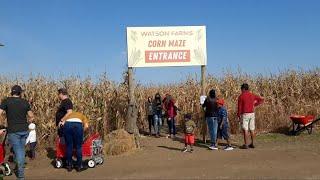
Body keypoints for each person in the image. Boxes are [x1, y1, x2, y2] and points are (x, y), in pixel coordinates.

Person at [0, 85, 34, 179]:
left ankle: (21, 176)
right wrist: (27, 123)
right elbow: (31, 116)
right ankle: (19, 165)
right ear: (20, 93)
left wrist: (1, 124)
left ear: (12, 92)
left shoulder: (6, 101)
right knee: (21, 149)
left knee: (19, 152)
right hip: (24, 130)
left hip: (13, 130)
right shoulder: (24, 102)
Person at [237, 83, 264, 149]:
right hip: (252, 113)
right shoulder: (252, 95)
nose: (241, 90)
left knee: (245, 129)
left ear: (243, 89)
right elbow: (261, 99)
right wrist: (255, 105)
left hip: (245, 114)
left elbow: (239, 107)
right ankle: (252, 143)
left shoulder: (241, 96)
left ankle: (246, 144)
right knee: (252, 129)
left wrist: (238, 114)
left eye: (241, 89)